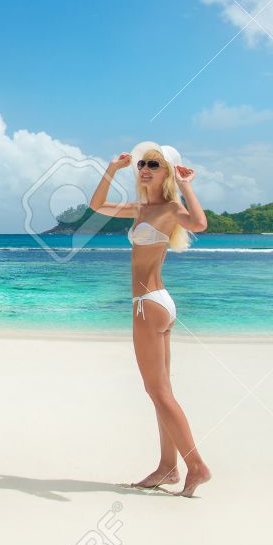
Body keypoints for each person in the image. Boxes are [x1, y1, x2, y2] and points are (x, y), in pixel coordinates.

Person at [88, 141, 212, 496]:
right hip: (155, 302)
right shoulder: (140, 209)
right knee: (163, 391)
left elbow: (200, 223)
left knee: (157, 392)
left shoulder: (172, 208)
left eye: (154, 165)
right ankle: (168, 468)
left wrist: (187, 185)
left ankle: (197, 465)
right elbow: (97, 205)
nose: (145, 168)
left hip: (149, 304)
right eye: (142, 163)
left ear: (167, 172)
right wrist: (111, 169)